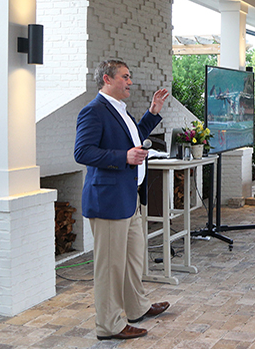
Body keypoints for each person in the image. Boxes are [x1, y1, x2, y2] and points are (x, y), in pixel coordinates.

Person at [74, 59, 171, 341]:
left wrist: (153, 112)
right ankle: (109, 325)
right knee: (110, 268)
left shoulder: (120, 111)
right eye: (125, 77)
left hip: (129, 198)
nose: (130, 81)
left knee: (132, 260)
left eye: (130, 77)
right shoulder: (93, 111)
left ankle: (136, 306)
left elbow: (135, 138)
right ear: (107, 78)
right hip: (108, 202)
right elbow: (83, 152)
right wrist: (123, 157)